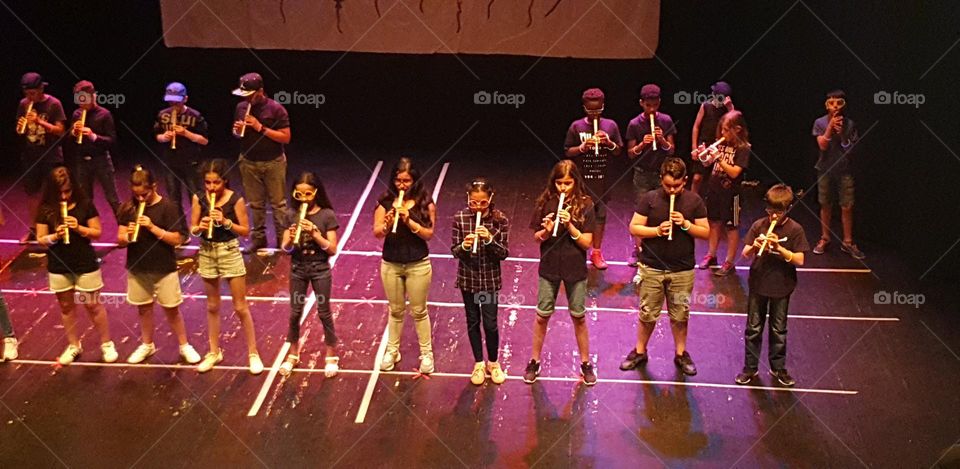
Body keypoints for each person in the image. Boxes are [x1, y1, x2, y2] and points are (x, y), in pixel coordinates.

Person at [621, 157, 709, 376]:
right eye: (668, 185)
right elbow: (634, 228)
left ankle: (681, 354)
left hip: (682, 269)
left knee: (680, 315)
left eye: (677, 186)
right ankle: (640, 351)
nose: (672, 190)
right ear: (661, 179)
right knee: (647, 313)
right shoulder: (649, 199)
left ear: (685, 181)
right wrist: (657, 231)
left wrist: (686, 225)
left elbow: (706, 232)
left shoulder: (694, 201)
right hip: (652, 267)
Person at [523, 160, 597, 386]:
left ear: (575, 182)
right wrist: (546, 230)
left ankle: (585, 363)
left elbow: (587, 243)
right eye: (559, 183)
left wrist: (570, 226)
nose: (563, 188)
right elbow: (537, 237)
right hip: (550, 266)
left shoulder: (585, 204)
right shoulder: (546, 202)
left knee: (579, 317)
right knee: (541, 316)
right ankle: (534, 360)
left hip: (575, 267)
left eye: (568, 183)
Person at [118, 166, 201, 365]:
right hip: (138, 266)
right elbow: (120, 239)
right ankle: (147, 344)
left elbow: (178, 239)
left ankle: (184, 345)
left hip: (164, 267)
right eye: (136, 195)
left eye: (144, 194)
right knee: (144, 308)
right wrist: (128, 235)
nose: (140, 199)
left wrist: (153, 228)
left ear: (154, 186)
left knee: (172, 308)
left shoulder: (168, 207)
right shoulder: (128, 208)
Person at [35, 166, 116, 365]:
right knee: (66, 306)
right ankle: (74, 345)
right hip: (59, 263)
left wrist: (79, 228)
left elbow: (97, 232)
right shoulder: (45, 208)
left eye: (67, 191)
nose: (64, 196)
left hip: (84, 261)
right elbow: (40, 239)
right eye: (59, 192)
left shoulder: (85, 204)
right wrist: (56, 236)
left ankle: (106, 344)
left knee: (92, 304)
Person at [189, 160, 262, 374]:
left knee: (240, 307)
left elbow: (245, 231)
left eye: (216, 182)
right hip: (207, 251)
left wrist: (225, 222)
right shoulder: (199, 198)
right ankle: (214, 352)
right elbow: (192, 229)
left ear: (225, 181)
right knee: (212, 306)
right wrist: (199, 227)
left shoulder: (235, 199)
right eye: (208, 183)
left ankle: (253, 353)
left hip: (229, 251)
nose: (211, 187)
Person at [736, 184, 810, 387]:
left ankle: (778, 368)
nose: (773, 216)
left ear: (787, 209)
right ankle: (750, 368)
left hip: (781, 285)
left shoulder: (795, 229)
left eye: (778, 212)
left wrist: (778, 248)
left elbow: (799, 260)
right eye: (770, 211)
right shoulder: (759, 225)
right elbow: (744, 254)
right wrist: (755, 246)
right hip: (758, 283)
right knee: (753, 328)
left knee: (778, 329)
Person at [373, 157, 436, 374]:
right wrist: (388, 223)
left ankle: (427, 354)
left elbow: (428, 234)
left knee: (419, 311)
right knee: (396, 310)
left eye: (407, 181)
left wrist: (409, 221)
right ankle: (392, 350)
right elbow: (377, 232)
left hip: (417, 264)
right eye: (398, 180)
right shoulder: (385, 201)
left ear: (415, 181)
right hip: (391, 264)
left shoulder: (425, 203)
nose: (402, 185)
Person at [279, 172, 341, 378]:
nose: (304, 199)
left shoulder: (326, 215)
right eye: (300, 195)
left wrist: (315, 234)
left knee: (324, 312)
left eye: (308, 194)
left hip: (320, 270)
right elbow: (285, 247)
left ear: (316, 193)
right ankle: (293, 354)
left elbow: (332, 248)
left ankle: (331, 354)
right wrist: (291, 235)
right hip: (298, 269)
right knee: (295, 312)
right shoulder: (291, 215)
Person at [451, 178, 509, 385]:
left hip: (489, 281)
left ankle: (493, 362)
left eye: (482, 203)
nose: (477, 207)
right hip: (469, 280)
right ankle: (478, 363)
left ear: (490, 199)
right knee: (473, 321)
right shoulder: (460, 218)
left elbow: (503, 253)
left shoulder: (499, 220)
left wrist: (489, 240)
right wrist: (466, 246)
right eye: (473, 202)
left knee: (490, 324)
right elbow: (454, 251)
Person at [563, 88, 623, 270]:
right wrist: (582, 147)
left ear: (603, 106)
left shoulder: (610, 126)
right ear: (584, 108)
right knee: (578, 216)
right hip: (581, 181)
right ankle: (577, 250)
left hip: (602, 180)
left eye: (598, 111)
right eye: (591, 111)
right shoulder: (576, 126)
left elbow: (618, 150)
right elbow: (567, 151)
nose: (595, 115)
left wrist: (609, 143)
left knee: (600, 217)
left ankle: (596, 251)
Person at [231, 72, 291, 254]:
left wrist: (260, 127)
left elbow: (285, 137)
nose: (247, 98)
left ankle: (283, 238)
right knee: (256, 204)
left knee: (278, 204)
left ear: (261, 91)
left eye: (250, 94)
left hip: (273, 162)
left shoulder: (276, 109)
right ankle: (259, 239)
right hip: (249, 162)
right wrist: (237, 131)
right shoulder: (241, 107)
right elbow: (236, 134)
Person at [625, 84, 677, 269]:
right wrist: (641, 145)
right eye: (648, 105)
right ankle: (638, 251)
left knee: (661, 210)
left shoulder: (666, 120)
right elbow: (631, 153)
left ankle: (658, 249)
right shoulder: (634, 124)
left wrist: (661, 140)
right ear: (642, 103)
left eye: (655, 105)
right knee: (641, 211)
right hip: (642, 174)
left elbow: (671, 151)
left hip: (661, 174)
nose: (652, 109)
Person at [812, 90, 864, 259]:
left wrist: (841, 133)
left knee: (847, 205)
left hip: (844, 169)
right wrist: (829, 128)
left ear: (844, 104)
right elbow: (822, 146)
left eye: (838, 103)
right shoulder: (820, 122)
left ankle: (847, 242)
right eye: (831, 103)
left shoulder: (850, 124)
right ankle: (825, 238)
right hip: (825, 168)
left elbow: (850, 149)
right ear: (827, 105)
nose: (835, 106)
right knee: (825, 204)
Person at [15, 72, 66, 244]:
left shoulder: (54, 104)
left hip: (51, 156)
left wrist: (39, 122)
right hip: (31, 155)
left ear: (41, 88)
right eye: (27, 94)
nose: (30, 97)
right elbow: (19, 128)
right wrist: (20, 127)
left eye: (33, 93)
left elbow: (60, 131)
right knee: (32, 193)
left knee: (54, 193)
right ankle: (34, 228)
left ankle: (57, 227)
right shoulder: (24, 104)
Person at [698, 110, 751, 276]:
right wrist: (702, 154)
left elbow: (735, 172)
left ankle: (729, 262)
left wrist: (719, 158)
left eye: (726, 130)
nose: (722, 133)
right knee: (713, 223)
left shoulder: (744, 148)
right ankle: (711, 255)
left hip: (732, 194)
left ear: (737, 129)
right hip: (714, 189)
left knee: (731, 227)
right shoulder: (720, 143)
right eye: (722, 129)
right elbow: (707, 163)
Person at [154, 82, 209, 216]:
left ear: (185, 99)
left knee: (196, 198)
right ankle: (180, 233)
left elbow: (205, 141)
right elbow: (157, 136)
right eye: (171, 103)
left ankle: (201, 230)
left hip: (191, 163)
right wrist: (164, 137)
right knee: (174, 199)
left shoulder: (195, 115)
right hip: (170, 163)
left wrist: (186, 134)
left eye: (177, 103)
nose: (173, 106)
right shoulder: (163, 115)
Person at [69, 80, 120, 220]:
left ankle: (125, 229)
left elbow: (111, 141)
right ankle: (87, 232)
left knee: (112, 198)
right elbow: (70, 139)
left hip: (101, 160)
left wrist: (92, 136)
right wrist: (74, 132)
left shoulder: (104, 114)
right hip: (82, 161)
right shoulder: (77, 114)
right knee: (85, 199)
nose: (80, 104)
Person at [689, 81, 734, 194]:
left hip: (720, 145)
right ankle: (692, 200)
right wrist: (694, 147)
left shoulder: (727, 109)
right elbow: (696, 127)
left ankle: (711, 202)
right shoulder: (706, 106)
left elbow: (735, 123)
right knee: (697, 178)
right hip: (704, 145)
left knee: (715, 178)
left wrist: (729, 107)